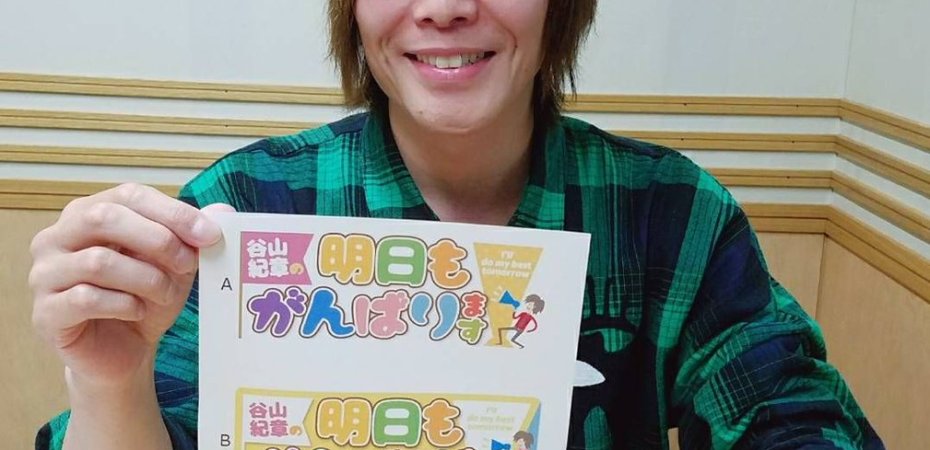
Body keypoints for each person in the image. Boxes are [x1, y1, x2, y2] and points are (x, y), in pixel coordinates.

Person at [30, 1, 884, 449]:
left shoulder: (671, 213)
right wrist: (110, 384)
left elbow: (791, 415)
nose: (443, 7)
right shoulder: (245, 208)